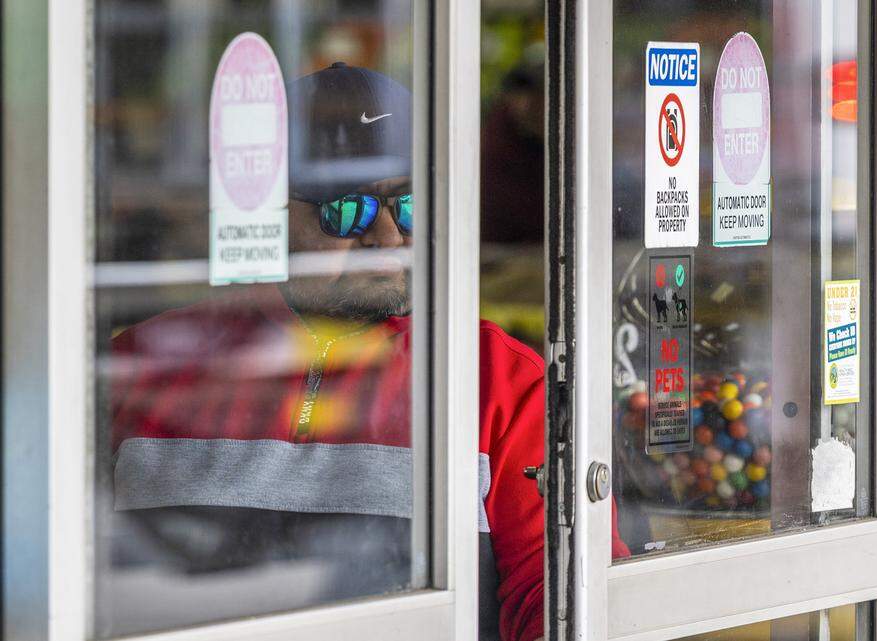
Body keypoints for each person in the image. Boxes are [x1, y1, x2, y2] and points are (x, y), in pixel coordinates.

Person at [109, 63, 628, 641]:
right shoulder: (142, 366)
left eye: (406, 206)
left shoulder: (503, 384)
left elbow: (565, 601)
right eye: (347, 209)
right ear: (265, 213)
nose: (386, 236)